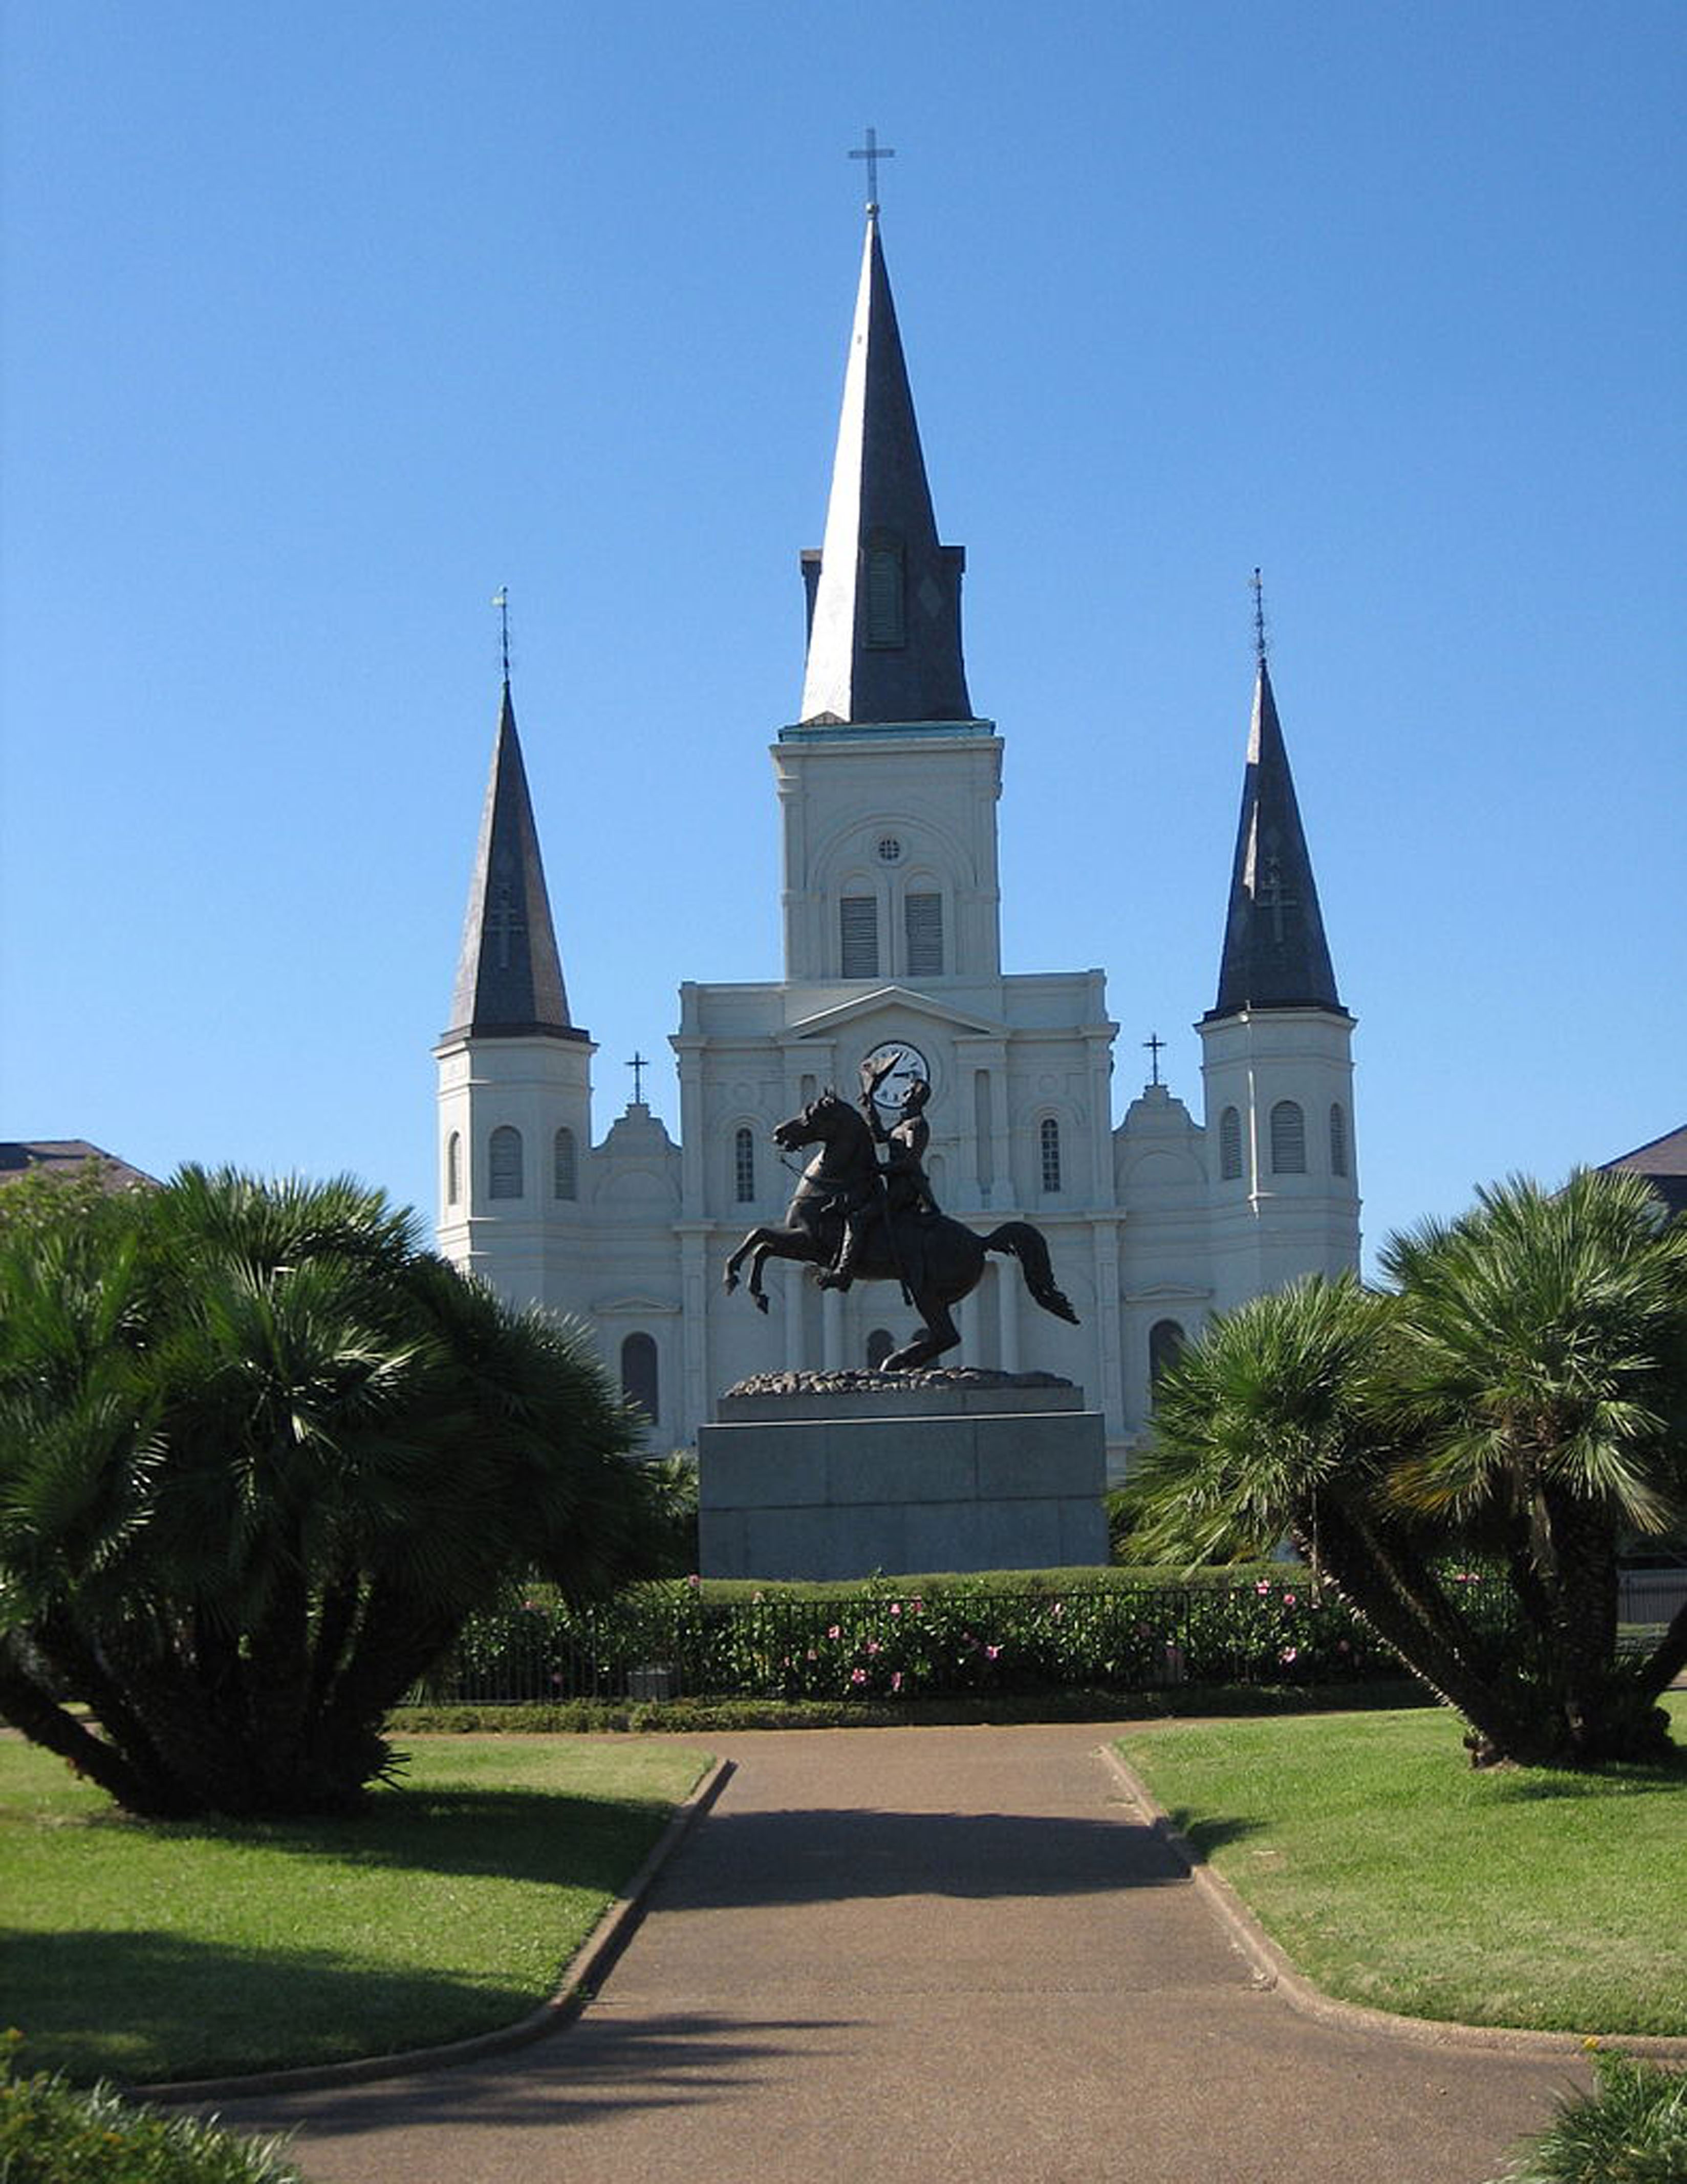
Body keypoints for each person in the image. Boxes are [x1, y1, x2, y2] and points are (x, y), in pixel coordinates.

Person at [817, 1058, 939, 1292]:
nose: (903, 1093)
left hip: (906, 1190)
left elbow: (911, 1161)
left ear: (916, 1097)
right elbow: (880, 1135)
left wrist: (880, 1169)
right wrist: (869, 1104)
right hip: (892, 1185)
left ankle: (843, 1273)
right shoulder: (902, 1125)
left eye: (908, 1092)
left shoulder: (917, 1125)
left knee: (859, 1218)